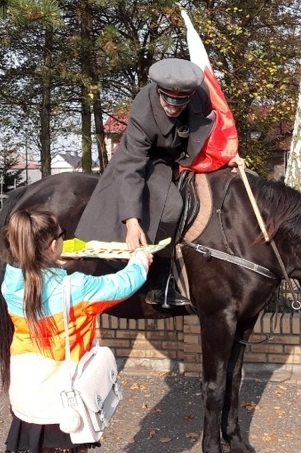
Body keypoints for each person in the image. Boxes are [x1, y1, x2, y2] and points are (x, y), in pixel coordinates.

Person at [0, 208, 152, 453]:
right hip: (67, 402)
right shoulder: (78, 288)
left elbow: (36, 277)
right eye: (61, 237)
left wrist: (54, 265)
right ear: (52, 246)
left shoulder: (11, 287)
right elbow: (124, 284)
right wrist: (140, 260)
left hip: (29, 400)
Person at [75, 57, 242, 307]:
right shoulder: (144, 108)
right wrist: (132, 222)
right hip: (149, 160)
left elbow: (211, 129)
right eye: (168, 101)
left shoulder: (199, 96)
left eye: (180, 102)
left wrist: (226, 155)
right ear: (159, 91)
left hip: (184, 158)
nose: (174, 108)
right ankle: (160, 285)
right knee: (173, 206)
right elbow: (132, 166)